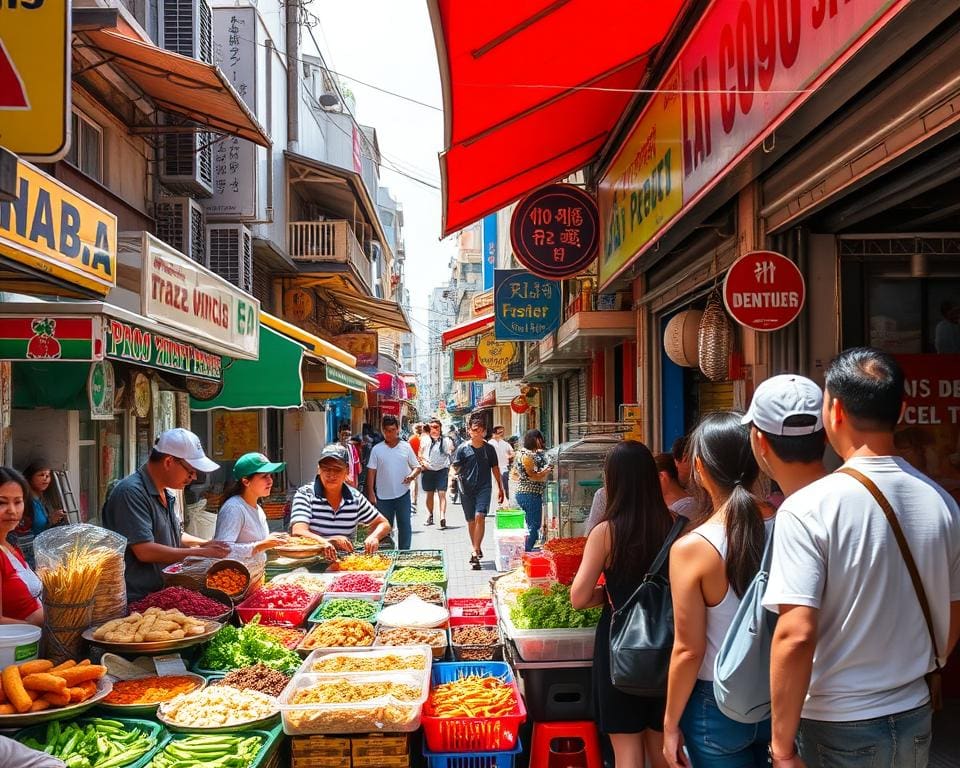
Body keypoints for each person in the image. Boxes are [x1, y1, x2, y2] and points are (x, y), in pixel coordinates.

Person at [762, 348, 960, 768]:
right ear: (902, 411)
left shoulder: (808, 507)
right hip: (914, 714)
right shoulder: (942, 502)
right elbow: (952, 619)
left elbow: (795, 634)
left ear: (833, 410)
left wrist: (781, 748)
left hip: (836, 723)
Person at [663, 412, 773, 768]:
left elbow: (688, 650)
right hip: (788, 691)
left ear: (698, 467)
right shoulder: (793, 526)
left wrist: (669, 723)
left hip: (716, 700)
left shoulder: (692, 548)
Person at [570, 441, 673, 768]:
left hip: (620, 646)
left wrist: (613, 597)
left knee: (627, 753)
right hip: (667, 646)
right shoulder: (677, 525)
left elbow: (578, 597)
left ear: (613, 481)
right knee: (661, 747)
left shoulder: (606, 533)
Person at [102, 428, 230, 603]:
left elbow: (172, 534)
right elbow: (145, 551)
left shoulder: (166, 493)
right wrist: (203, 553)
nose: (193, 477)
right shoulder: (131, 492)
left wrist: (203, 543)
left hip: (161, 594)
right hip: (136, 599)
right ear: (169, 461)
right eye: (190, 471)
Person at [290, 444, 392, 561]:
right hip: (309, 563)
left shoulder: (355, 498)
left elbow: (384, 524)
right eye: (326, 469)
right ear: (319, 469)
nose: (331, 474)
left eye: (337, 469)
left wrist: (374, 537)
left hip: (344, 563)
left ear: (347, 471)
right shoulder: (305, 494)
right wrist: (328, 541)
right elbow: (298, 531)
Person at [452, 415, 504, 569]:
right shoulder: (462, 449)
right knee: (471, 521)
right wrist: (453, 480)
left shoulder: (489, 449)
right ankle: (476, 545)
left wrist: (501, 488)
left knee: (479, 515)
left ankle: (475, 551)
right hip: (466, 489)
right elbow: (455, 466)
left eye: (480, 430)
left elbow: (495, 468)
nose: (477, 433)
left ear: (484, 432)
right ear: (469, 431)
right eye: (474, 430)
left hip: (484, 488)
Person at [213, 452, 287, 561]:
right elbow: (221, 551)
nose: (270, 481)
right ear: (246, 481)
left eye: (270, 475)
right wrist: (261, 545)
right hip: (237, 576)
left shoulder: (258, 509)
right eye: (264, 476)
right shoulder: (234, 508)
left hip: (256, 575)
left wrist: (272, 541)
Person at [367, 416, 421, 550]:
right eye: (386, 431)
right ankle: (387, 555)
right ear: (382, 431)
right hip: (383, 497)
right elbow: (371, 472)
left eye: (392, 430)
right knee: (384, 528)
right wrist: (371, 493)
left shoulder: (406, 447)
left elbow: (417, 467)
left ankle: (404, 554)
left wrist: (411, 476)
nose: (389, 434)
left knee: (405, 526)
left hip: (402, 495)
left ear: (397, 429)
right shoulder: (377, 449)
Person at [0, 467, 43, 626]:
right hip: (20, 648)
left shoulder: (10, 546)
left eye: (18, 502)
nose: (12, 511)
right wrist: (50, 627)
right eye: (2, 502)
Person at [514, 429, 552, 551]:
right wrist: (546, 471)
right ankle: (526, 551)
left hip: (522, 493)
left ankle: (524, 550)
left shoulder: (520, 453)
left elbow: (515, 473)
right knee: (534, 526)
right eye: (540, 439)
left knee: (529, 525)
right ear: (535, 439)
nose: (542, 442)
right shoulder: (528, 456)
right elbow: (533, 475)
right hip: (530, 494)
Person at [419, 419, 454, 528]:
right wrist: (423, 463)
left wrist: (450, 466)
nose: (434, 429)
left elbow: (451, 452)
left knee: (442, 494)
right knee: (429, 494)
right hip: (428, 470)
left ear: (440, 428)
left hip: (442, 470)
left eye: (436, 427)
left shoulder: (447, 441)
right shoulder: (424, 440)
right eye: (432, 427)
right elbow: (419, 453)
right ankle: (430, 515)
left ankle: (442, 516)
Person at [488, 425, 515, 503]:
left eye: (503, 431)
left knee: (505, 486)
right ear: (494, 433)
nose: (502, 433)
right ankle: (498, 503)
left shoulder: (505, 443)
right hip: (493, 468)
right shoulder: (490, 444)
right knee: (496, 487)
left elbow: (512, 452)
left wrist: (509, 456)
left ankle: (505, 502)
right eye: (500, 432)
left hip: (504, 468)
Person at [408, 424, 423, 511]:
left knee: (414, 480)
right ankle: (414, 499)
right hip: (421, 461)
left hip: (412, 461)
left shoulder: (411, 439)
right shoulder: (424, 439)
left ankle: (413, 500)